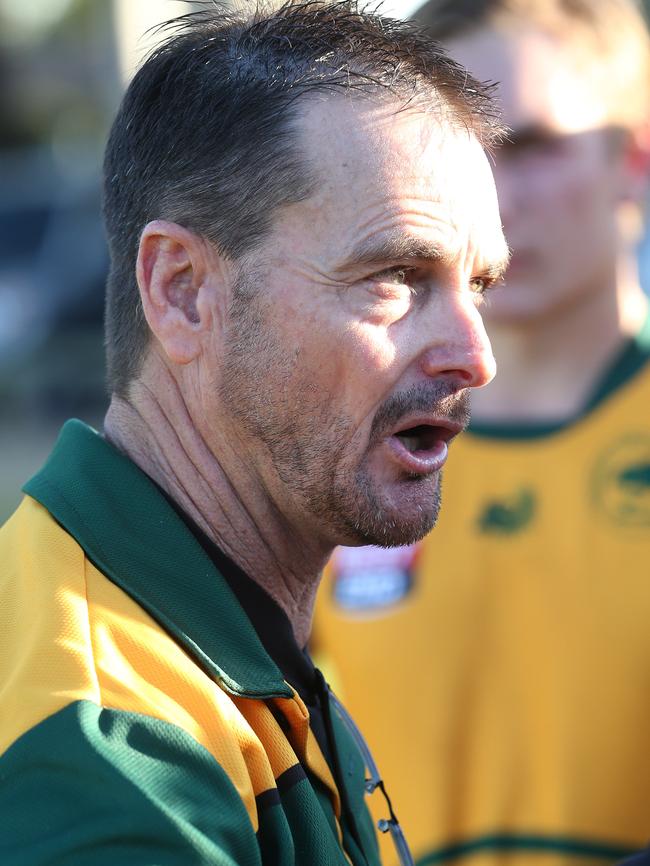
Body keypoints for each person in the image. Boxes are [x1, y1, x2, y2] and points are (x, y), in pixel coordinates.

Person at [0, 3, 509, 864]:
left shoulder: (225, 631)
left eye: (481, 283)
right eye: (395, 275)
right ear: (184, 290)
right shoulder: (106, 751)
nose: (475, 355)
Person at [313, 1, 650, 864]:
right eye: (463, 152)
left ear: (636, 156)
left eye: (533, 147)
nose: (494, 193)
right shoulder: (328, 447)